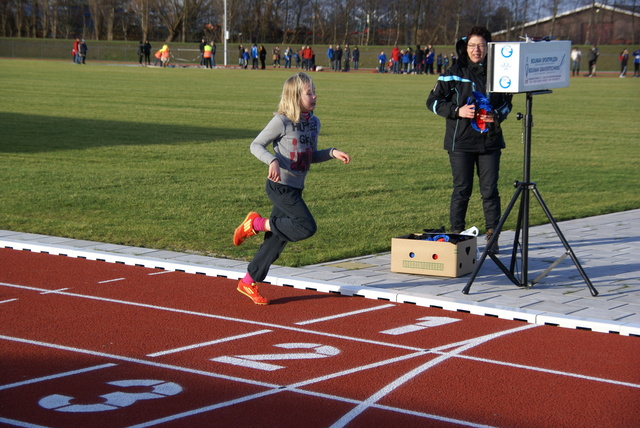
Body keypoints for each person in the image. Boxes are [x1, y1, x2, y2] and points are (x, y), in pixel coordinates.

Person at [232, 72, 351, 305]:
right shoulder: (282, 121)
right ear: (295, 96)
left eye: (314, 91)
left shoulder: (314, 123)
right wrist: (272, 160)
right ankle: (255, 223)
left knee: (276, 240)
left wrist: (330, 153)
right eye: (309, 92)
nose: (315, 95)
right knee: (306, 226)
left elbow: (307, 157)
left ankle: (247, 281)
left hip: (295, 188)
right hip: (279, 187)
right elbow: (255, 145)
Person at [426, 26, 513, 253]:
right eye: (473, 45)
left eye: (482, 46)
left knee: (490, 191)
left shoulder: (499, 73)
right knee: (462, 189)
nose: (477, 50)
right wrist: (457, 111)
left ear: (488, 48)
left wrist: (498, 115)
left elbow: (507, 103)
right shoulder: (453, 72)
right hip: (461, 142)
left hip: (490, 142)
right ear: (466, 47)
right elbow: (433, 102)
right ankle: (457, 235)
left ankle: (492, 236)